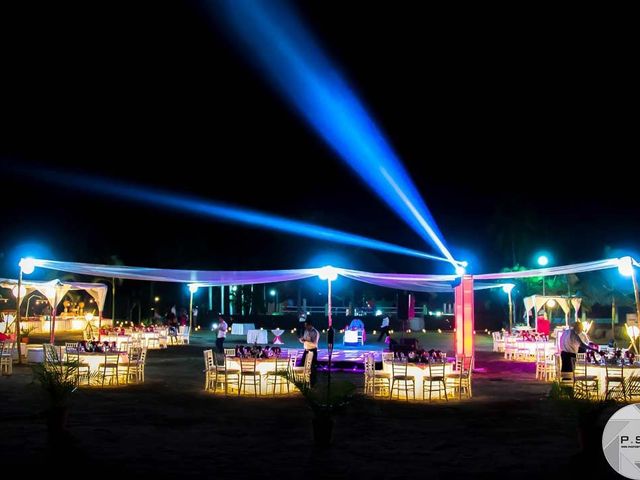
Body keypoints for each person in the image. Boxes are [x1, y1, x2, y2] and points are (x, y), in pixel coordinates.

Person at [299, 320, 319, 386]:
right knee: (302, 365)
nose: (305, 326)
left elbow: (314, 343)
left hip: (312, 350)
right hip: (306, 350)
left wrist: (305, 341)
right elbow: (305, 340)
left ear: (310, 325)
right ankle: (303, 381)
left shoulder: (315, 332)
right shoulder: (306, 331)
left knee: (312, 367)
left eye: (306, 325)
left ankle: (312, 382)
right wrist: (302, 340)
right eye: (305, 325)